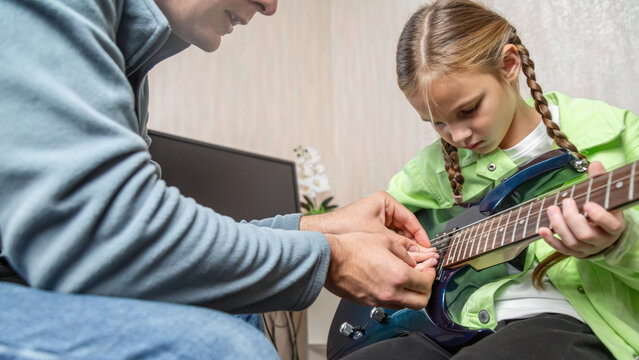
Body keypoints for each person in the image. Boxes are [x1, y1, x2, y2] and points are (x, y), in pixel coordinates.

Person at [0, 0, 439, 358]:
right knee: (221, 348)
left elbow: (137, 240)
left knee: (238, 313)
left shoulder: (126, 66)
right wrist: (332, 258)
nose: (270, 5)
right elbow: (104, 236)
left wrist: (320, 227)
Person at [342, 0, 639, 359]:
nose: (457, 135)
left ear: (509, 65)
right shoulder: (432, 168)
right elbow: (373, 232)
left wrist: (619, 245)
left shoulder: (616, 135)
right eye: (437, 123)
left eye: (468, 110)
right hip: (449, 325)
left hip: (566, 320)